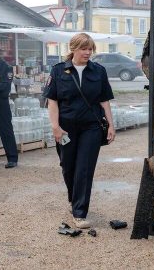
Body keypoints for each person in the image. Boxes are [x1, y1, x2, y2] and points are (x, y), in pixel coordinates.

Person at [43, 33, 115, 229]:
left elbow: (104, 100)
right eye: (84, 48)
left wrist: (111, 125)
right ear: (73, 48)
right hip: (66, 128)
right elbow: (52, 101)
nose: (88, 52)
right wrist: (55, 127)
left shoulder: (98, 71)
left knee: (84, 168)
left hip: (91, 126)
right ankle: (74, 200)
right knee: (68, 166)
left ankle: (79, 212)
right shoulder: (58, 71)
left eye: (90, 49)